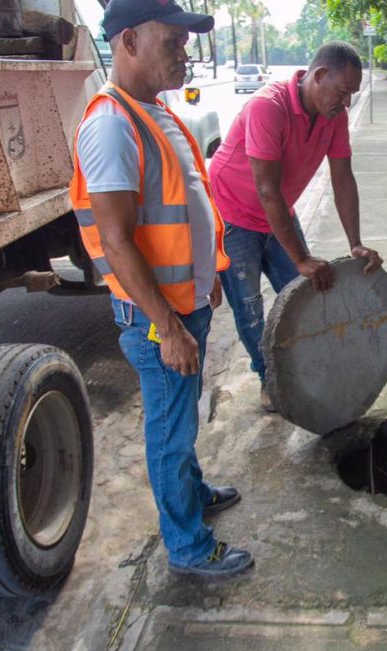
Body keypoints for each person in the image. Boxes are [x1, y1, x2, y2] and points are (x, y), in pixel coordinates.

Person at [69, 0, 253, 581]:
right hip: (158, 319)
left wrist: (205, 282)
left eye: (184, 42)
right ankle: (188, 546)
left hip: (185, 304)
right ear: (128, 43)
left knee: (182, 418)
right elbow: (118, 243)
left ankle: (193, 496)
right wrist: (170, 328)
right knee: (170, 431)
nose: (185, 53)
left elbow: (179, 209)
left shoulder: (156, 112)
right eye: (172, 42)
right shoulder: (110, 124)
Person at [209, 41, 383, 412]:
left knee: (308, 291)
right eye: (343, 91)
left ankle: (311, 368)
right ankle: (270, 382)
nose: (347, 102)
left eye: (352, 94)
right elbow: (267, 190)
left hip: (276, 213)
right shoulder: (267, 108)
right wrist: (301, 257)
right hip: (232, 215)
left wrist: (355, 243)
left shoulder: (333, 117)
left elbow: (343, 179)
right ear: (319, 76)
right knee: (251, 309)